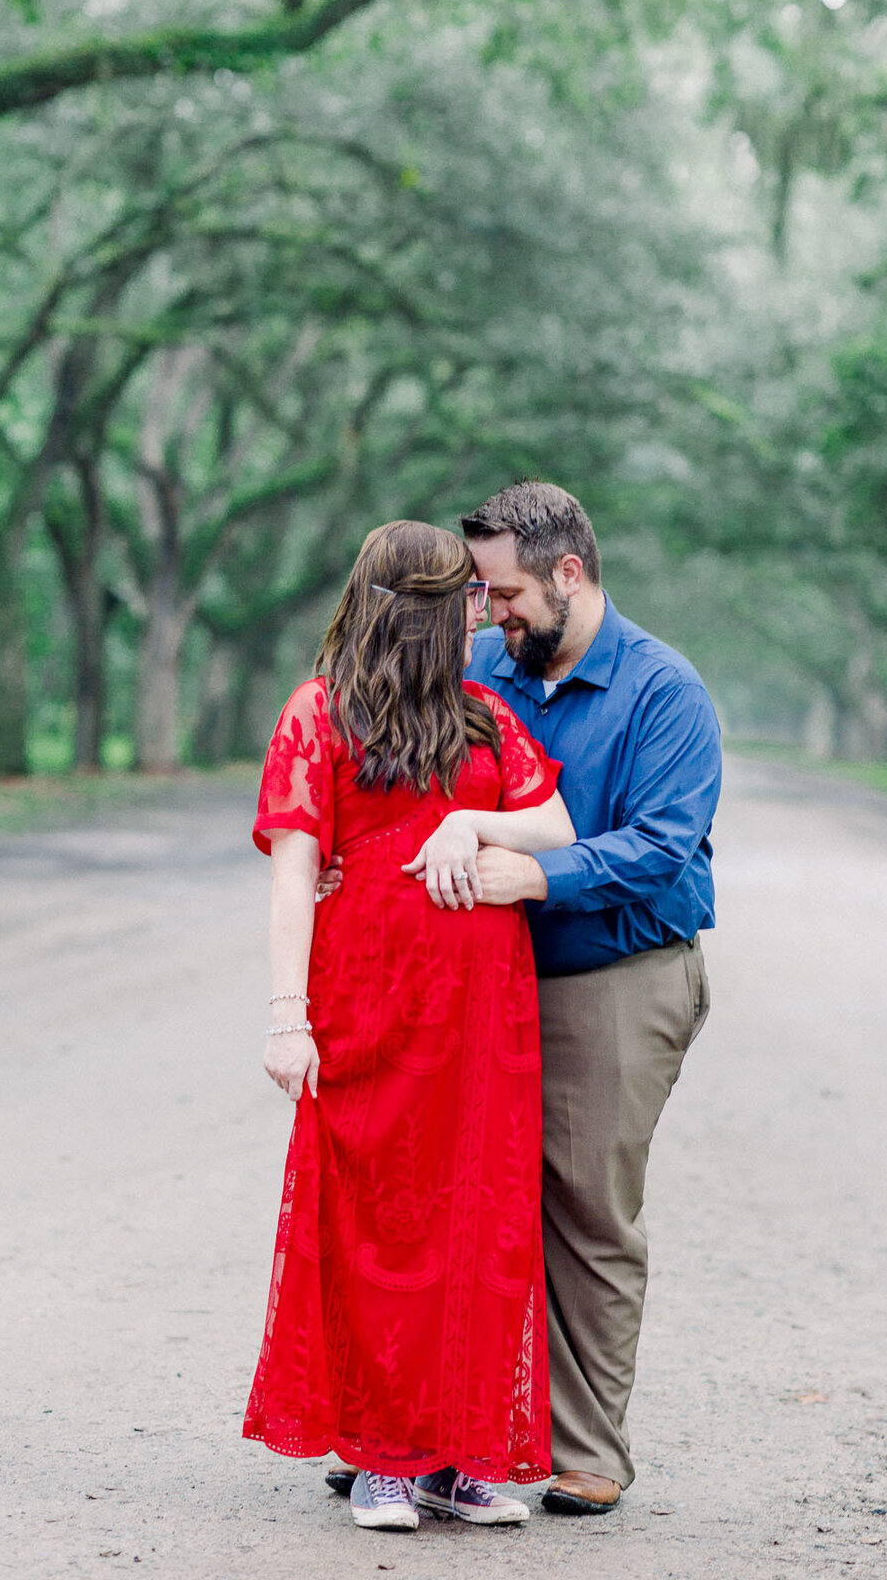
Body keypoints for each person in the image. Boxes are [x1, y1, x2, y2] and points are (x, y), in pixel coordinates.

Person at [325, 482, 721, 1516]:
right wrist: (346, 864)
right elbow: (399, 770)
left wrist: (525, 866)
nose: (490, 616)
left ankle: (587, 1450)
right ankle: (410, 1434)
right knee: (444, 1201)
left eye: (503, 595)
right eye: (483, 598)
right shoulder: (489, 671)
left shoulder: (663, 691)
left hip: (613, 972)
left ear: (570, 575)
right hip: (468, 982)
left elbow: (660, 846)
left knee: (585, 1206)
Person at [244, 519, 576, 1532]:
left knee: (476, 1218)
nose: (482, 612)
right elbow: (296, 875)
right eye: (468, 601)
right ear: (428, 612)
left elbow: (558, 826)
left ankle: (456, 1456)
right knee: (377, 1223)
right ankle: (382, 1455)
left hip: (482, 1007)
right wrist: (286, 1019)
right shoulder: (319, 713)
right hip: (368, 998)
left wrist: (471, 821)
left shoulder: (484, 717)